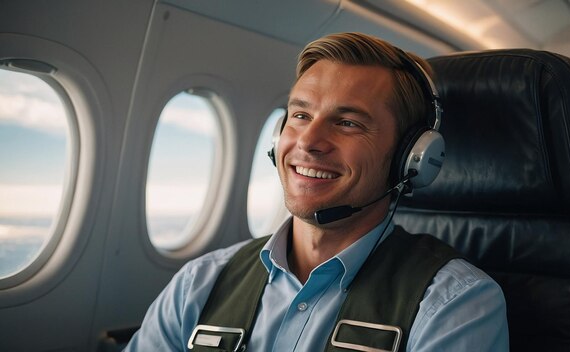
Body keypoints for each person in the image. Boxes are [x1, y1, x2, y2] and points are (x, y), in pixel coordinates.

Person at [125, 32, 509, 351]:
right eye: (301, 115)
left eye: (347, 122)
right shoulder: (200, 284)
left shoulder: (453, 304)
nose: (308, 141)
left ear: (412, 157)